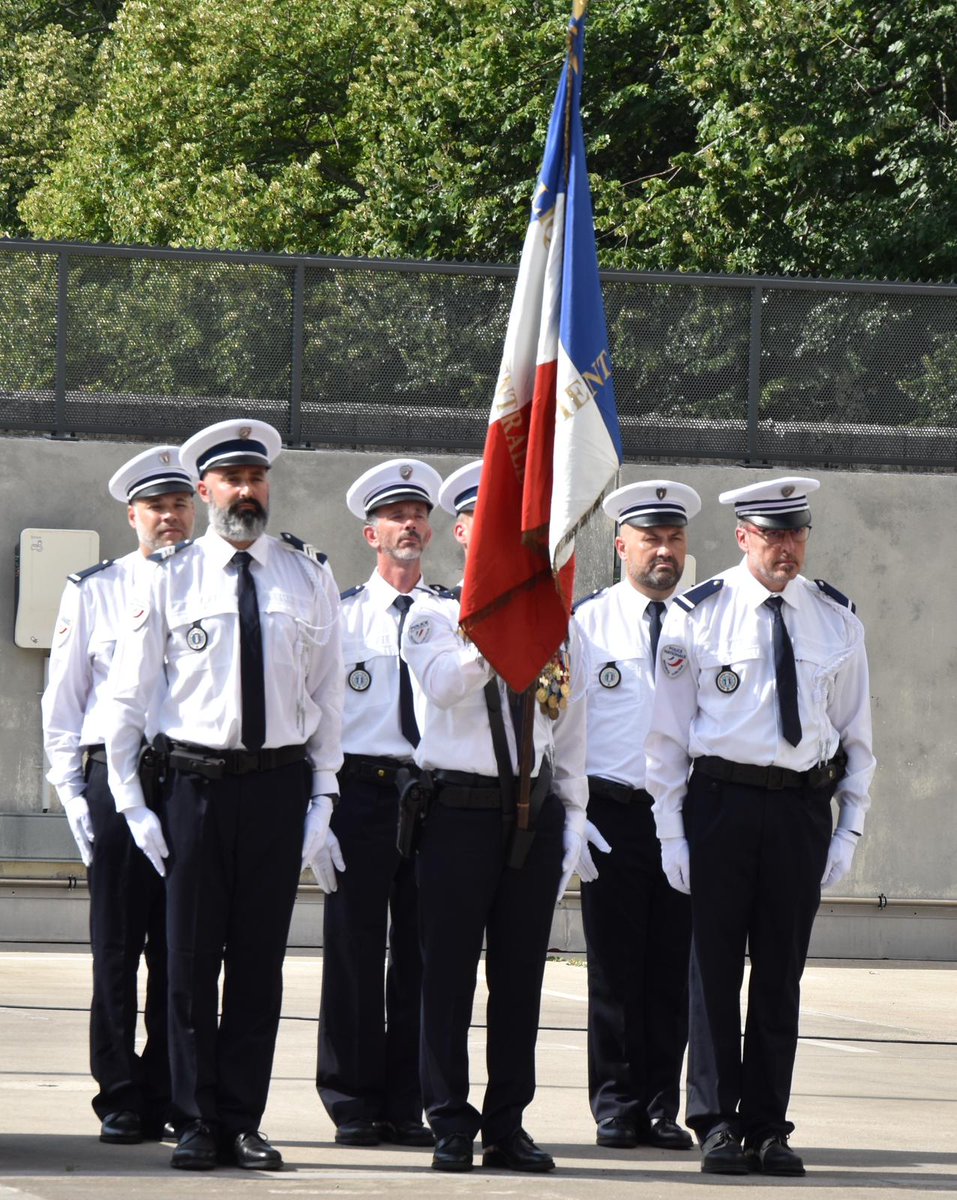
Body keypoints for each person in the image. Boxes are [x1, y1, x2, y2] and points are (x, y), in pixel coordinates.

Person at [104, 419, 344, 1172]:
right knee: (187, 961)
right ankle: (194, 1118)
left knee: (259, 964)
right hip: (193, 788)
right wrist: (131, 803)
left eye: (256, 478)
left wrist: (324, 796)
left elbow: (327, 698)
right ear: (205, 491)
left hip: (276, 788)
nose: (247, 491)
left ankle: (242, 1119)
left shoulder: (307, 574)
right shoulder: (168, 576)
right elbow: (127, 699)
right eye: (232, 480)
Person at [645, 476, 875, 1178]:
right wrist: (670, 831)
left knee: (780, 974)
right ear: (743, 536)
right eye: (772, 535)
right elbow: (666, 738)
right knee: (712, 970)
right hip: (721, 805)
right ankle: (717, 1122)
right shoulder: (698, 614)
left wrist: (848, 826)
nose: (786, 548)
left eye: (795, 533)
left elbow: (856, 735)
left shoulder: (836, 619)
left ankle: (768, 1125)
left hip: (800, 808)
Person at [400, 460, 605, 1175]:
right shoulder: (430, 615)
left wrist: (572, 815)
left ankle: (507, 1122)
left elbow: (570, 728)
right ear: (464, 534)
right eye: (492, 529)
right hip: (456, 814)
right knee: (448, 976)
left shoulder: (561, 626)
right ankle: (449, 1120)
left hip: (531, 817)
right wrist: (503, 626)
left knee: (519, 980)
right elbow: (442, 684)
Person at [41, 446, 195, 1145]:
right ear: (132, 516)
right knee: (117, 943)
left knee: (183, 945)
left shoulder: (215, 585)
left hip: (190, 774)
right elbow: (64, 697)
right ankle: (121, 1095)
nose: (169, 517)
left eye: (179, 504)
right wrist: (72, 790)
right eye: (155, 507)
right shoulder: (95, 589)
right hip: (114, 773)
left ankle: (171, 1089)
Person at [316, 457, 442, 1149]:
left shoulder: (451, 614)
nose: (409, 526)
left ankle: (406, 1102)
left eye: (418, 515)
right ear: (372, 534)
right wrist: (318, 807)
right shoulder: (339, 617)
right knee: (353, 952)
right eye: (395, 517)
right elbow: (314, 715)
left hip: (434, 794)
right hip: (360, 794)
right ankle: (352, 1101)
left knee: (423, 955)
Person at [574, 480, 700, 1153]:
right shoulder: (587, 623)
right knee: (615, 970)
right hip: (613, 815)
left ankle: (659, 1106)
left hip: (681, 815)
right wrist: (573, 813)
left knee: (671, 969)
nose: (664, 551)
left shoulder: (702, 622)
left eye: (674, 538)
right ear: (620, 545)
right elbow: (560, 724)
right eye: (650, 538)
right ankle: (616, 1104)